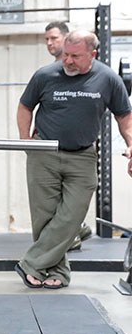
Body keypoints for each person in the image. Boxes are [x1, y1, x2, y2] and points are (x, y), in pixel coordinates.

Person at [15, 30, 132, 289]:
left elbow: (125, 117)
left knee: (71, 216)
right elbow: (25, 106)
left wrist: (131, 144)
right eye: (65, 54)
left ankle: (31, 263)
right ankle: (59, 273)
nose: (67, 61)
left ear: (93, 54)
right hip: (44, 152)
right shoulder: (45, 75)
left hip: (83, 156)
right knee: (45, 217)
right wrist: (26, 140)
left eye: (75, 56)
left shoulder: (108, 79)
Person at [44, 21, 94, 251]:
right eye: (47, 39)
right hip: (51, 145)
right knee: (53, 195)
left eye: (54, 38)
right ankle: (77, 229)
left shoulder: (81, 68)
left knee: (72, 194)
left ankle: (75, 229)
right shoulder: (50, 72)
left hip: (80, 144)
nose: (49, 43)